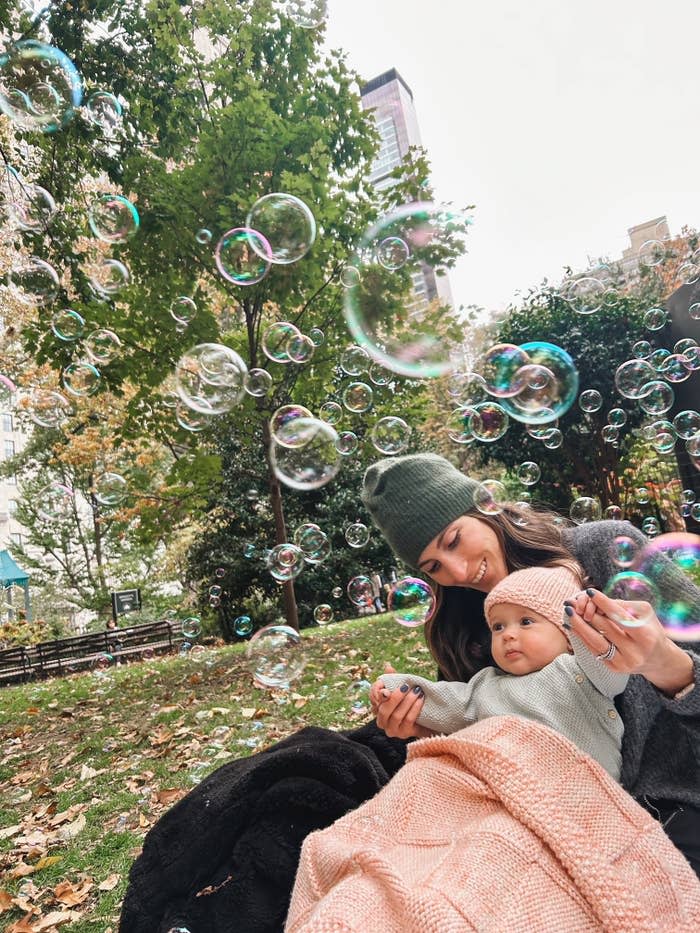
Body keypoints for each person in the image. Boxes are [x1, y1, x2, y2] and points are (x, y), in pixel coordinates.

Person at [119, 454, 700, 933]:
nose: (457, 569)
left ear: (484, 506)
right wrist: (424, 728)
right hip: (536, 802)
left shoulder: (602, 550)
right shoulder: (466, 628)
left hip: (669, 803)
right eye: (433, 564)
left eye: (454, 539)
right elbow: (489, 723)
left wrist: (664, 664)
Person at [371, 564, 630, 780]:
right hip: (510, 792)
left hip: (586, 792)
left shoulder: (578, 671)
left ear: (565, 630)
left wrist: (581, 628)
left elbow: (611, 670)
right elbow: (444, 700)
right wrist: (394, 688)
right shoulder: (485, 686)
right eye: (498, 626)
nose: (508, 634)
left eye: (526, 621)